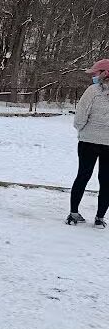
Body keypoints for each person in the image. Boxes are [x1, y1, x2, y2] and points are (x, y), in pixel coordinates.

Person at [69, 59, 109, 228]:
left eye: (95, 73)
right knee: (106, 180)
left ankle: (73, 214)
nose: (93, 75)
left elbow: (80, 117)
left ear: (104, 74)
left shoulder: (92, 91)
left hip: (88, 141)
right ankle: (100, 218)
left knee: (83, 175)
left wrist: (82, 129)